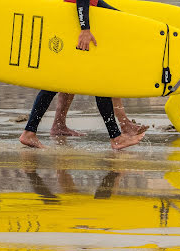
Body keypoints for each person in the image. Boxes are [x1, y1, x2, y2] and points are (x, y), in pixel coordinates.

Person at [19, 0, 145, 149]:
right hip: (72, 32)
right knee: (98, 83)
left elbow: (96, 4)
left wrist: (124, 18)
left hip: (69, 30)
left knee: (58, 83)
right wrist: (85, 28)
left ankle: (30, 132)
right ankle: (116, 138)